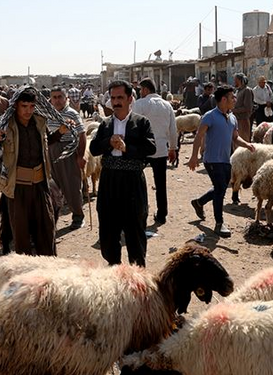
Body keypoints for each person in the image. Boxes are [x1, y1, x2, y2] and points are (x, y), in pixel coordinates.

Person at [0, 86, 73, 256]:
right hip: (17, 189)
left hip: (40, 186)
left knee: (47, 231)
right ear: (16, 105)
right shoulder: (4, 124)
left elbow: (45, 142)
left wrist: (60, 132)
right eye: (24, 106)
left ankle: (48, 275)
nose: (28, 111)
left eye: (31, 106)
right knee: (21, 238)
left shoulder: (39, 122)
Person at [89, 80, 156, 266]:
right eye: (113, 98)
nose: (116, 102)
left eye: (120, 97)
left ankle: (137, 278)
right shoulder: (105, 125)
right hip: (109, 181)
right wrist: (108, 143)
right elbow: (94, 149)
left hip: (132, 182)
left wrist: (127, 148)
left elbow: (150, 147)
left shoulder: (141, 122)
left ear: (130, 99)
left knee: (135, 229)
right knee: (109, 230)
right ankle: (114, 272)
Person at [188, 85, 255, 236]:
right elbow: (199, 136)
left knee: (221, 188)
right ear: (223, 99)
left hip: (226, 160)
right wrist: (193, 157)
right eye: (232, 97)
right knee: (220, 190)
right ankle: (219, 223)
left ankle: (199, 202)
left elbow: (235, 137)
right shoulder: (209, 116)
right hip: (212, 160)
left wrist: (247, 145)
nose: (235, 99)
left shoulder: (232, 118)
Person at [132, 78, 178, 224]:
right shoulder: (167, 105)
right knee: (160, 184)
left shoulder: (139, 104)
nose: (140, 92)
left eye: (140, 90)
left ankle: (139, 212)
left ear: (145, 89)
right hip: (161, 149)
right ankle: (162, 214)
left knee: (136, 182)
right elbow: (173, 129)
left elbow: (133, 126)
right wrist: (173, 148)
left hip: (142, 150)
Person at [49, 86, 87, 229]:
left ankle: (78, 216)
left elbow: (81, 134)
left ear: (66, 98)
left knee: (71, 185)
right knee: (52, 187)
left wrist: (80, 156)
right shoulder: (48, 114)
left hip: (68, 151)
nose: (57, 100)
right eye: (55, 97)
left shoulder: (72, 114)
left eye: (60, 97)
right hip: (51, 152)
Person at [232, 73, 254, 142]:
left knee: (243, 141)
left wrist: (234, 110)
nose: (234, 82)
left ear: (240, 80)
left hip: (243, 120)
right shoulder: (237, 91)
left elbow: (247, 108)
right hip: (236, 119)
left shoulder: (247, 90)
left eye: (236, 80)